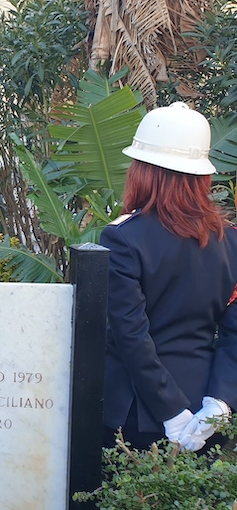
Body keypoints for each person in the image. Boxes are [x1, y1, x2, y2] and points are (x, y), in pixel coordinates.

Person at [101, 102, 237, 452]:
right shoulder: (231, 241)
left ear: (142, 172)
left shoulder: (123, 238)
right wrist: (220, 403)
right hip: (205, 412)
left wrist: (171, 410)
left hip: (137, 412)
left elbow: (131, 335)